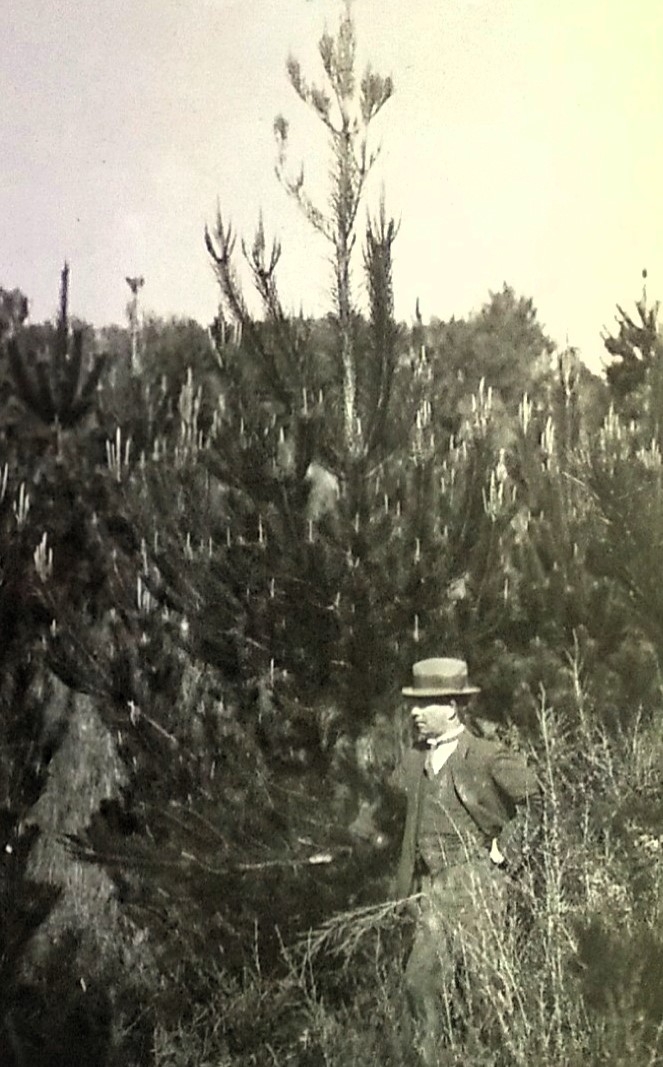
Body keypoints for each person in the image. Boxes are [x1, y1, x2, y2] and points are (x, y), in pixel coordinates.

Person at [396, 656, 541, 1062]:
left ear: (452, 707)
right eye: (414, 703)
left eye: (425, 704)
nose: (415, 712)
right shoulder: (412, 760)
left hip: (477, 886)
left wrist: (505, 849)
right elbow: (385, 813)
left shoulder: (486, 756)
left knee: (484, 987)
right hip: (429, 889)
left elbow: (538, 803)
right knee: (419, 984)